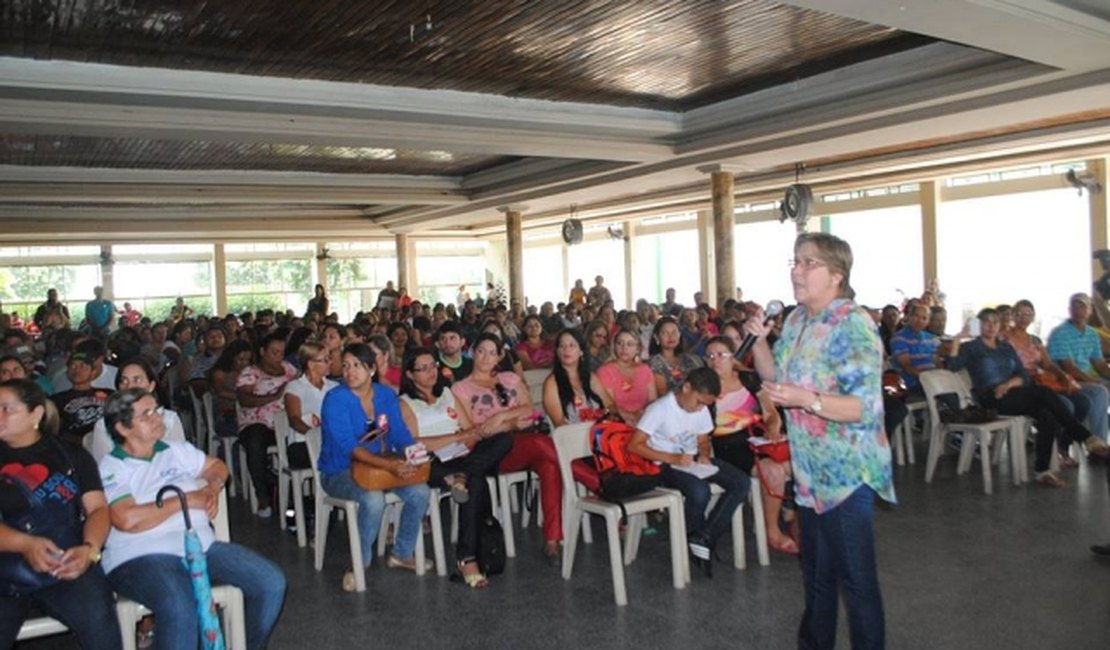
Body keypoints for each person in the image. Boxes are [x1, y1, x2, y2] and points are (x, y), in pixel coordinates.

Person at [745, 232, 895, 648]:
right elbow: (775, 378)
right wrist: (759, 341)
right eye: (795, 261)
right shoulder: (796, 320)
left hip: (847, 472)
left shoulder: (853, 324)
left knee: (856, 579)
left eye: (808, 263)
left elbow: (863, 406)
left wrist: (806, 401)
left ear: (836, 276)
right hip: (809, 471)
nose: (796, 269)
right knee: (816, 575)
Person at [99, 389, 285, 650]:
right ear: (123, 427)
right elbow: (126, 518)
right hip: (141, 555)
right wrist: (187, 501)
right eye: (146, 414)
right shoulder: (113, 467)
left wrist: (212, 486)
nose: (157, 418)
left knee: (270, 582)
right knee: (179, 602)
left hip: (199, 546)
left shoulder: (175, 450)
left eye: (157, 410)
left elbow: (217, 467)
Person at [0, 379, 122, 650]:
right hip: (6, 565)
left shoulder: (70, 454)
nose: (0, 416)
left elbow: (99, 509)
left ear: (36, 414)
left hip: (64, 560)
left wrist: (89, 550)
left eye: (7, 409)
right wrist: (26, 544)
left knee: (98, 616)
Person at [947, 308, 1109, 487]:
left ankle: (1042, 471)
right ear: (977, 324)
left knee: (1047, 414)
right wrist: (958, 338)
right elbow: (952, 366)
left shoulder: (1005, 348)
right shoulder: (971, 347)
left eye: (995, 321)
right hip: (992, 398)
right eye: (986, 322)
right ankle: (1084, 437)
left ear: (1000, 325)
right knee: (1044, 392)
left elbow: (1023, 374)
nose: (991, 326)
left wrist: (1008, 384)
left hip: (1013, 392)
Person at [318, 344, 432, 590]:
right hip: (339, 471)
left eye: (357, 366)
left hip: (379, 470)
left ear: (371, 369)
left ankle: (402, 553)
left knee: (420, 492)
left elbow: (398, 433)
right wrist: (390, 466)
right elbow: (350, 447)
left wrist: (412, 452)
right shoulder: (335, 400)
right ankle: (360, 564)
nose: (349, 372)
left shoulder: (385, 396)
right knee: (372, 500)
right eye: (346, 366)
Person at [398, 350, 512, 589]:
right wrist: (456, 437)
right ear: (410, 374)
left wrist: (466, 439)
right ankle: (467, 560)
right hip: (430, 461)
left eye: (433, 366)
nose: (432, 372)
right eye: (424, 368)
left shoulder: (447, 394)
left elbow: (471, 429)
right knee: (476, 480)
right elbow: (416, 442)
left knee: (504, 439)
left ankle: (462, 475)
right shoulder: (406, 403)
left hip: (460, 457)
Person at [452, 333, 564, 566]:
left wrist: (502, 416)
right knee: (544, 447)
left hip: (525, 439)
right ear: (472, 352)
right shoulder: (461, 388)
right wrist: (511, 424)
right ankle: (586, 474)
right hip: (494, 449)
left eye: (492, 352)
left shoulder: (510, 378)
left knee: (549, 464)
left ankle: (552, 539)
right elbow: (475, 430)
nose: (486, 357)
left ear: (499, 356)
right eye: (481, 350)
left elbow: (529, 409)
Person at [627, 367, 751, 576]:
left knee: (741, 482)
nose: (700, 408)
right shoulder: (660, 409)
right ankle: (698, 540)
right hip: (664, 463)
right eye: (699, 402)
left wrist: (703, 453)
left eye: (705, 404)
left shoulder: (700, 408)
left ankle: (704, 537)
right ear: (686, 388)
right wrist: (672, 458)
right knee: (699, 490)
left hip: (692, 461)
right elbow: (635, 445)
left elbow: (703, 438)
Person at [702, 336, 795, 554]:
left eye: (721, 355)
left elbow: (770, 412)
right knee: (773, 470)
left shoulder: (749, 379)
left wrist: (772, 426)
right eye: (710, 356)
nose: (715, 361)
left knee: (799, 467)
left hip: (758, 438)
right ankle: (772, 531)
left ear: (733, 358)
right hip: (726, 445)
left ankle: (800, 521)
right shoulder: (704, 386)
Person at [1004, 299, 1106, 449]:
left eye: (1028, 314)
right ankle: (1053, 448)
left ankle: (1063, 446)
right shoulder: (1004, 338)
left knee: (1083, 402)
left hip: (1040, 381)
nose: (1023, 318)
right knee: (1066, 405)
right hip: (1020, 383)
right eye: (1019, 313)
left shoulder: (1035, 340)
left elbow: (1048, 364)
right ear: (1012, 315)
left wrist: (1062, 376)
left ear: (1033, 317)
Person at [236, 333, 298, 518]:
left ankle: (294, 492)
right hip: (257, 423)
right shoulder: (250, 373)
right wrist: (274, 396)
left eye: (281, 352)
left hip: (285, 423)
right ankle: (262, 496)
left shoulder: (289, 369)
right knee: (256, 439)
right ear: (263, 352)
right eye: (274, 352)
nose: (278, 357)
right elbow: (244, 399)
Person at [89, 357, 187, 461]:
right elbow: (103, 470)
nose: (130, 386)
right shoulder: (104, 426)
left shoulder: (169, 420)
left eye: (137, 380)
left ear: (151, 386)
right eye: (124, 381)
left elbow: (181, 462)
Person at [282, 342, 337, 471]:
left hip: (329, 443)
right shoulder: (295, 387)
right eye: (325, 360)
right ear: (311, 365)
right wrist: (315, 437)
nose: (330, 362)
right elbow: (294, 420)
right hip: (302, 443)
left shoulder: (334, 387)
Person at [542, 329, 613, 427]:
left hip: (598, 431)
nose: (566, 350)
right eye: (562, 346)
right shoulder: (552, 383)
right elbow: (559, 423)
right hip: (570, 436)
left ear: (581, 351)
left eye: (572, 345)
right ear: (557, 352)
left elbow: (610, 405)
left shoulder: (591, 377)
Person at [596, 328, 657, 426]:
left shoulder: (645, 370)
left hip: (645, 421)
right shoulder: (605, 371)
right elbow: (609, 405)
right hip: (616, 423)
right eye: (620, 343)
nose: (624, 348)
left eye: (630, 344)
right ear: (614, 346)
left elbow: (653, 401)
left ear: (637, 349)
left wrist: (640, 414)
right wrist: (628, 417)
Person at [52, 348, 112, 446]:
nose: (77, 370)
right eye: (73, 366)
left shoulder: (109, 394)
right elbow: (55, 430)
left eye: (83, 366)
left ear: (93, 372)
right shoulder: (57, 399)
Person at [890, 303, 941, 397]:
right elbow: (907, 366)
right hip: (914, 382)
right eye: (916, 316)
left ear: (928, 321)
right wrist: (927, 378)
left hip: (934, 379)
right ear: (909, 317)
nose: (919, 321)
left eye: (924, 318)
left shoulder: (932, 338)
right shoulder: (899, 338)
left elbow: (938, 361)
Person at [648, 315, 704, 395]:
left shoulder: (689, 359)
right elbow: (662, 393)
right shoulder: (655, 362)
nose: (670, 336)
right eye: (665, 333)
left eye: (674, 332)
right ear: (657, 337)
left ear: (680, 335)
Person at [435, 321, 473, 385]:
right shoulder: (434, 367)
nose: (447, 342)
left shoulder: (471, 365)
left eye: (452, 338)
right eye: (443, 338)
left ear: (462, 342)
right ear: (437, 344)